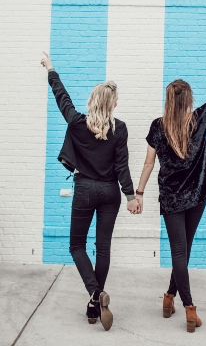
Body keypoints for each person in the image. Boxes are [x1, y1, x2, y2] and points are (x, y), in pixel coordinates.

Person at [134, 48, 206, 332]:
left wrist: (139, 193)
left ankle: (170, 298)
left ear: (168, 100)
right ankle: (188, 308)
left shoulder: (157, 127)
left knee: (179, 253)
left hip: (172, 200)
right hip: (197, 196)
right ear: (189, 100)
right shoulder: (200, 118)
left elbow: (149, 164)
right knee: (182, 252)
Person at [40, 52, 139, 331]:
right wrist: (131, 197)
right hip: (110, 192)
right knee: (103, 247)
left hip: (84, 189)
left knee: (76, 246)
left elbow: (62, 97)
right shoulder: (120, 129)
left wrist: (51, 69)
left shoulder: (76, 121)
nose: (118, 102)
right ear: (111, 103)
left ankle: (95, 294)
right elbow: (122, 166)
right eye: (116, 99)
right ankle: (95, 302)